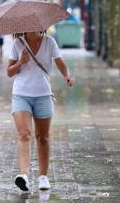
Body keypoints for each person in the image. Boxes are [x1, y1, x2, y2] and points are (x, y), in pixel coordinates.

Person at [6, 31, 74, 192]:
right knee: (24, 134)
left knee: (42, 137)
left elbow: (60, 62)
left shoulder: (50, 42)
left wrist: (67, 76)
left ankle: (43, 177)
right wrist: (20, 62)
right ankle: (23, 175)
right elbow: (9, 72)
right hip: (21, 95)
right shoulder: (18, 44)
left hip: (43, 95)